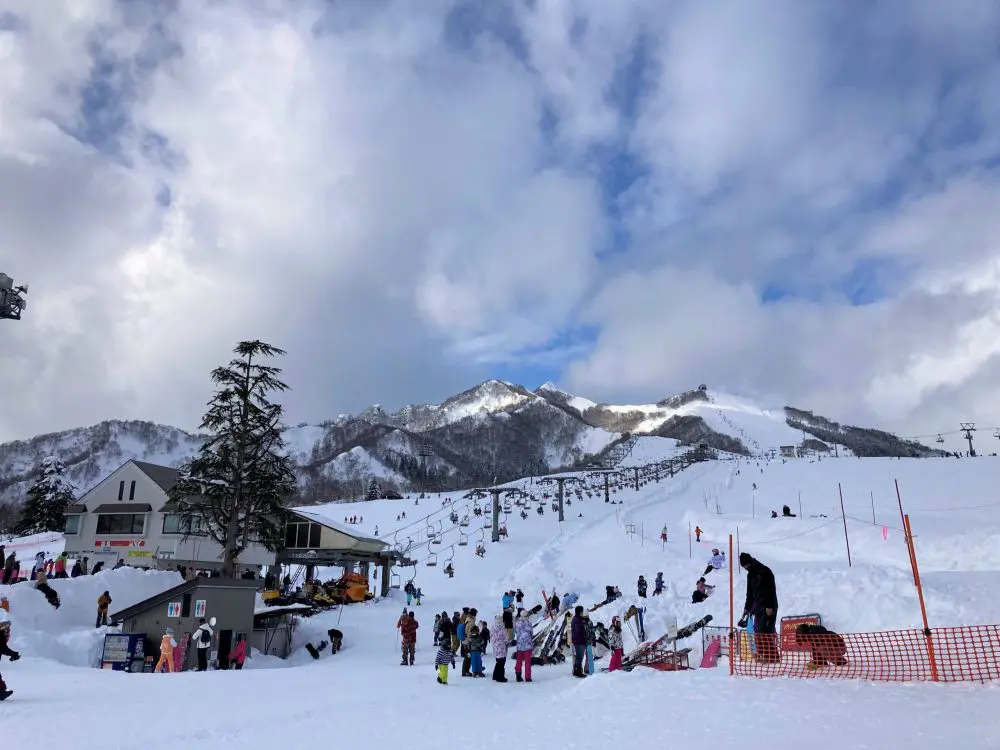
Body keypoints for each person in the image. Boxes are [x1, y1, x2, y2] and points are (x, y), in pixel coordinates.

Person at [738, 553, 778, 662]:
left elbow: (771, 590)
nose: (746, 568)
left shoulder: (765, 571)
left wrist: (769, 606)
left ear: (751, 561)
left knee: (766, 630)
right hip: (758, 606)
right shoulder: (750, 575)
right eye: (744, 567)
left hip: (769, 605)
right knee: (759, 632)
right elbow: (749, 593)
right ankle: (763, 655)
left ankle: (771, 657)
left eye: (746, 565)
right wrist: (747, 608)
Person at [0, 620, 20, 700]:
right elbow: (2, 648)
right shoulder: (0, 636)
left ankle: (1, 693)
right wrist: (13, 654)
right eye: (7, 631)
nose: (8, 633)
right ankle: (1, 694)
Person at [513, 609, 533, 682]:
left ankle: (518, 675)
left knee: (519, 660)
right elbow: (531, 633)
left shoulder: (517, 623)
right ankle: (528, 677)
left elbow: (515, 632)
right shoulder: (529, 623)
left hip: (520, 645)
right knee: (527, 662)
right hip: (528, 645)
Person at [491, 613, 508, 682]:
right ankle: (500, 677)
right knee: (502, 663)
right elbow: (506, 638)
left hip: (495, 647)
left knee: (498, 662)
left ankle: (495, 675)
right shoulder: (503, 629)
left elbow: (491, 637)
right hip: (502, 647)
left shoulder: (493, 628)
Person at [570, 606, 587, 678]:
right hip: (579, 641)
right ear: (580, 612)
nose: (583, 613)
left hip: (576, 640)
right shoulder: (578, 620)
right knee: (579, 657)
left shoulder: (576, 618)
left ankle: (576, 671)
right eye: (582, 611)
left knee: (578, 657)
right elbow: (578, 631)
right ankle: (578, 672)